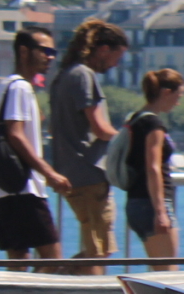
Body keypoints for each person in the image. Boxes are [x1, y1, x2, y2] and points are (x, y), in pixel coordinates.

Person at [45, 18, 129, 269]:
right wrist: (130, 139)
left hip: (70, 171)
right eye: (118, 56)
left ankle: (54, 278)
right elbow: (99, 128)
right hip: (90, 173)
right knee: (100, 250)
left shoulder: (63, 76)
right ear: (103, 50)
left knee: (96, 248)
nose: (117, 64)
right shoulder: (84, 75)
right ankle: (53, 280)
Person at [0, 27, 73, 266]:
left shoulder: (5, 86)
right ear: (24, 52)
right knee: (53, 261)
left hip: (3, 189)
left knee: (18, 264)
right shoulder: (21, 88)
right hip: (25, 189)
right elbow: (16, 135)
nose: (50, 57)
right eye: (44, 50)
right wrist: (50, 173)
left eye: (52, 51)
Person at [123, 69, 184, 259]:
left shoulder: (135, 119)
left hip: (135, 201)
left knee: (160, 270)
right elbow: (153, 168)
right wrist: (160, 212)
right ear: (166, 92)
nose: (178, 102)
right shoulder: (154, 125)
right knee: (168, 273)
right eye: (178, 95)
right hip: (151, 205)